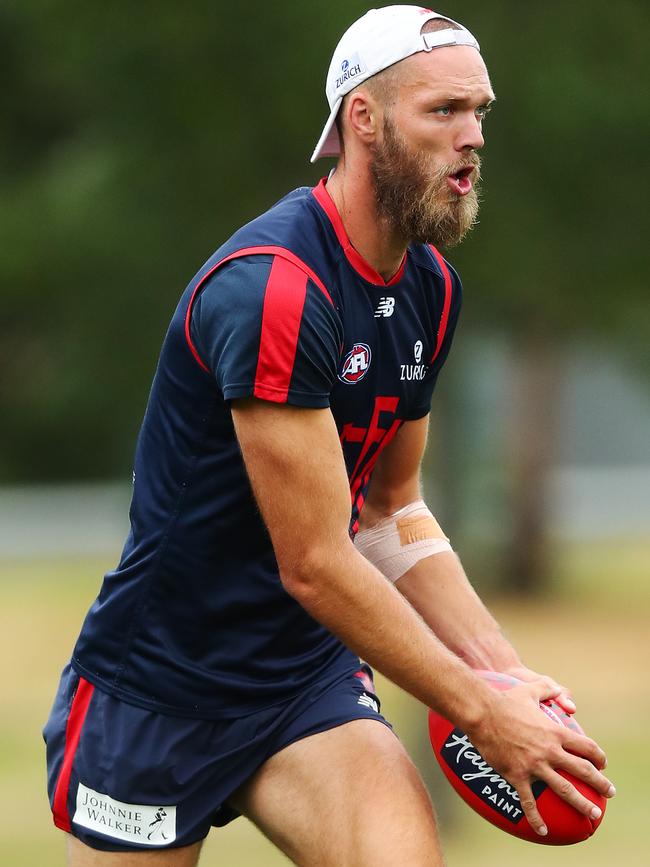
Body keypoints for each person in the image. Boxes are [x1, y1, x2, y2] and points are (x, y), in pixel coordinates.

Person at [44, 6, 615, 866]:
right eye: (444, 111)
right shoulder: (274, 290)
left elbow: (391, 513)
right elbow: (314, 560)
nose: (473, 137)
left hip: (299, 680)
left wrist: (504, 674)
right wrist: (476, 708)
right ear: (364, 119)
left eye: (481, 112)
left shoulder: (430, 288)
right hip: (160, 685)